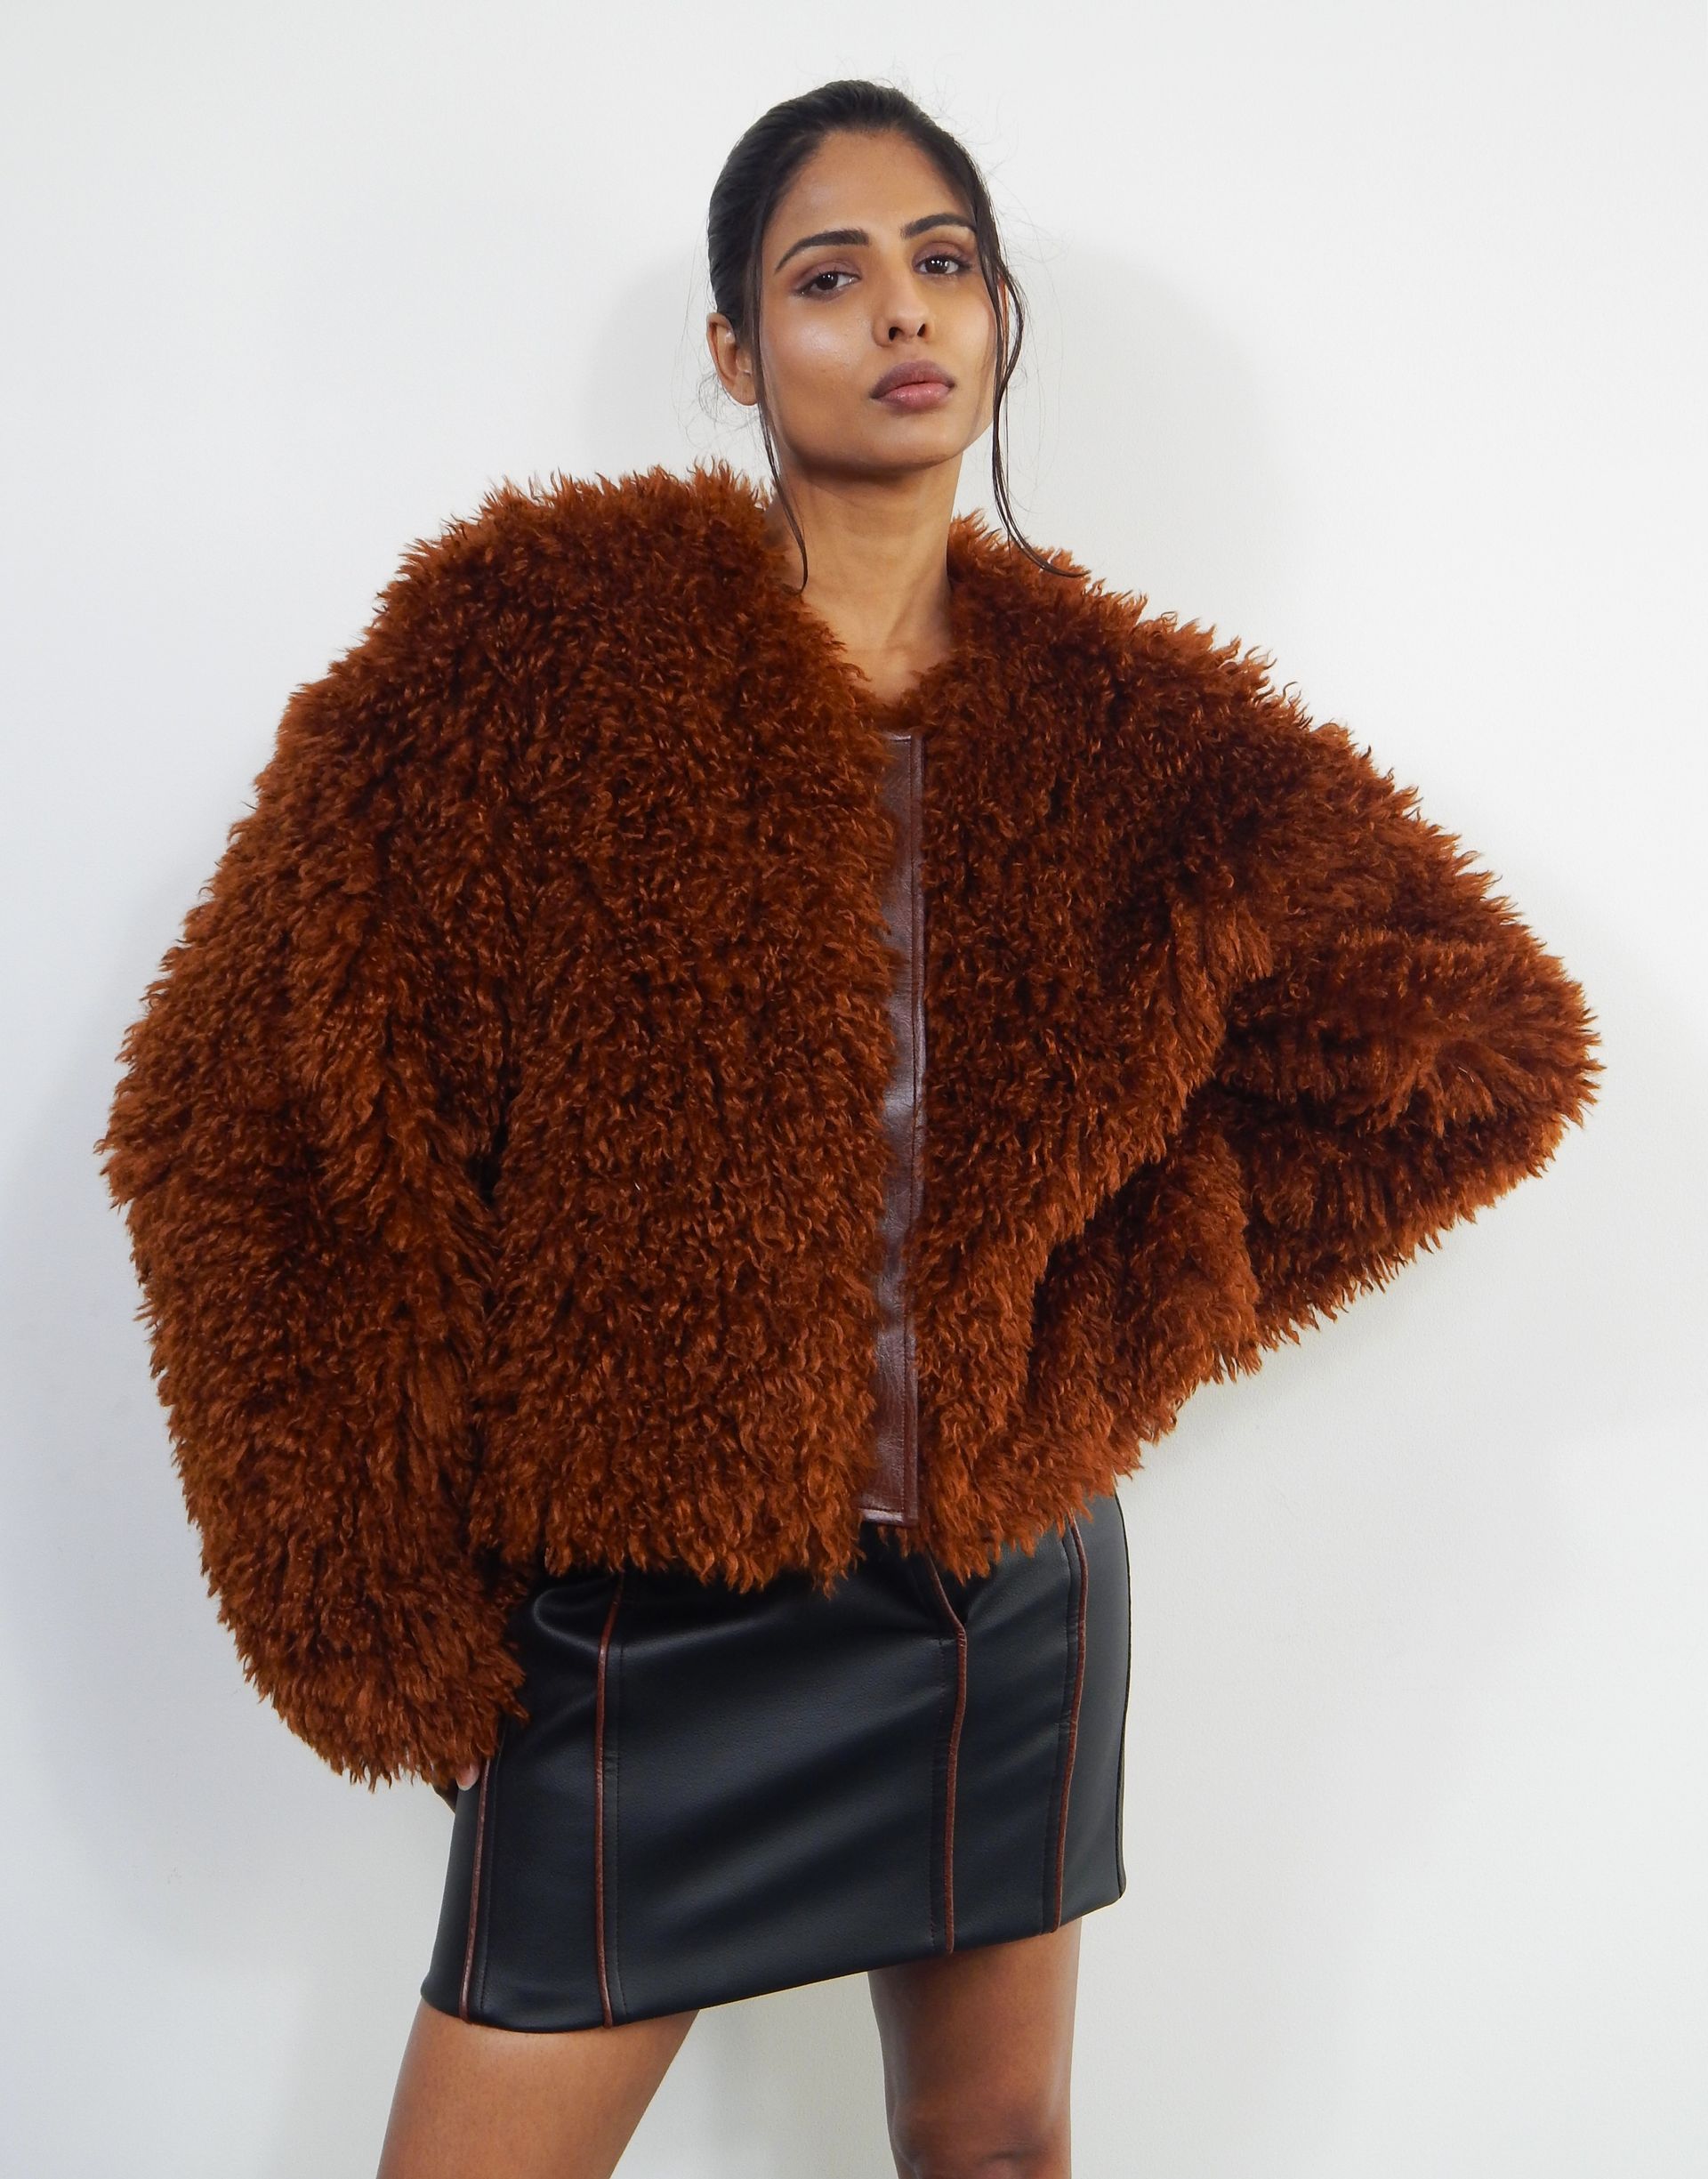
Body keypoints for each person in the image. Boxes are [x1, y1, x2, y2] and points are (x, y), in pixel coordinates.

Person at [95, 78, 1597, 2179]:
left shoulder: (1136, 726)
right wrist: (361, 1565)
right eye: (829, 274)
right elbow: (240, 1104)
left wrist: (1104, 1314)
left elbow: (1488, 1046)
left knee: (992, 2149)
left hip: (999, 1603)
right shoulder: (529, 653)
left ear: (995, 319)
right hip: (636, 1602)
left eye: (946, 261)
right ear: (732, 349)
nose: (904, 310)